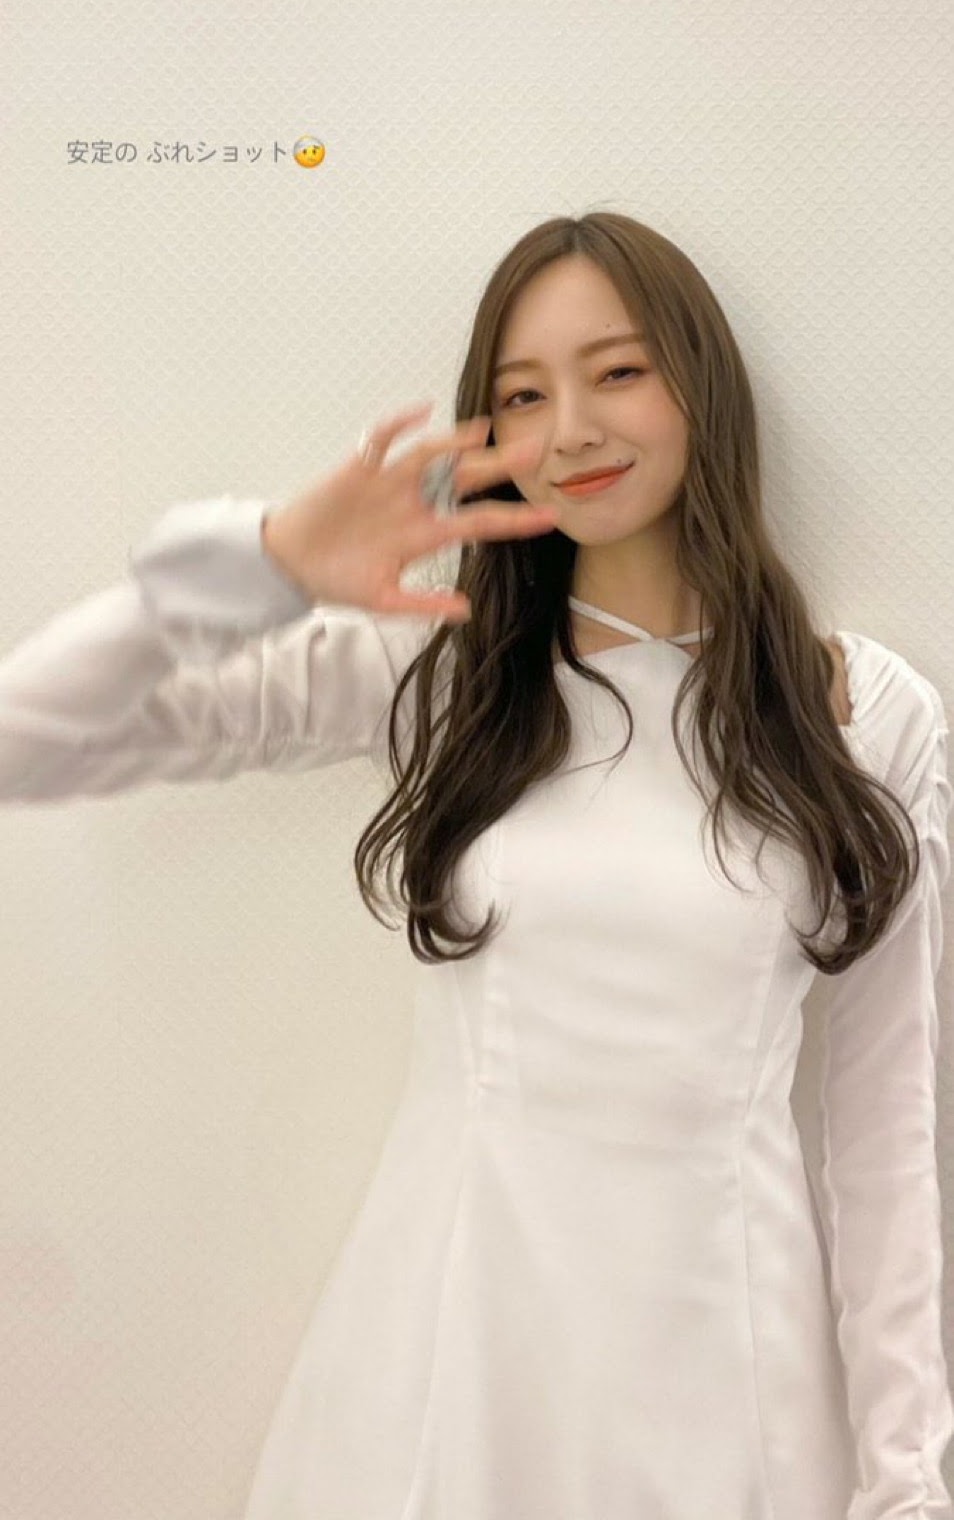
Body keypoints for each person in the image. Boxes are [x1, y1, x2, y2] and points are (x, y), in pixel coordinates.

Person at [0, 210, 950, 1520]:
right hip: (445, 1367)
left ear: (700, 384)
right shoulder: (448, 683)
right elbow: (25, 742)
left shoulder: (859, 712)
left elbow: (884, 1135)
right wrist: (266, 560)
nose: (572, 431)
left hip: (730, 1392)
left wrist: (907, 1481)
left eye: (618, 372)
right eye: (522, 396)